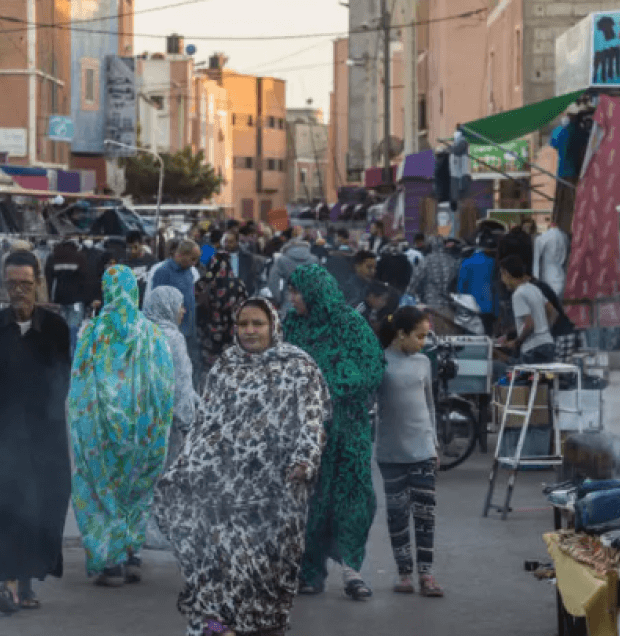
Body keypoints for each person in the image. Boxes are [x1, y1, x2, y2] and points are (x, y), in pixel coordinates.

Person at [155, 298, 331, 636]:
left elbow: (313, 420)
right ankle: (219, 626)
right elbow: (207, 425)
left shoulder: (298, 367)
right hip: (226, 492)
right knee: (223, 571)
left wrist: (304, 460)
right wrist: (186, 468)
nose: (249, 331)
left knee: (268, 579)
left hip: (277, 497)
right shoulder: (225, 366)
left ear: (273, 326)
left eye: (257, 324)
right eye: (243, 324)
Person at [0, 250, 72, 613]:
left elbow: (61, 380)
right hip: (3, 439)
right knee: (5, 507)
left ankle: (26, 582)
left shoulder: (57, 329)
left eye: (26, 284)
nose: (19, 291)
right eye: (12, 284)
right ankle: (10, 582)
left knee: (44, 507)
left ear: (38, 284)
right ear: (3, 285)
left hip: (46, 437)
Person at [68, 266, 175, 586]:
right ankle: (132, 555)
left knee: (101, 492)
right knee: (136, 493)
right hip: (145, 433)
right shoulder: (153, 335)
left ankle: (110, 561)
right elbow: (165, 385)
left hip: (101, 434)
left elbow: (80, 384)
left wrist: (81, 425)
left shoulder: (94, 333)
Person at [284, 264, 385, 600]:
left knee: (354, 497)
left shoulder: (349, 323)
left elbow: (373, 367)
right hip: (310, 433)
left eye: (298, 292)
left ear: (315, 291)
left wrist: (332, 388)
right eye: (291, 292)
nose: (293, 298)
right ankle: (310, 572)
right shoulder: (292, 327)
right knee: (311, 501)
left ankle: (352, 569)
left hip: (350, 427)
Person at [375, 306, 444, 598]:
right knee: (397, 516)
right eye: (419, 336)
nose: (423, 342)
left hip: (423, 451)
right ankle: (404, 574)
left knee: (425, 515)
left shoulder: (423, 363)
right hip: (390, 453)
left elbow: (430, 405)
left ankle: (426, 575)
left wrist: (434, 444)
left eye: (425, 336)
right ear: (401, 334)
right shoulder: (378, 362)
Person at [143, 285, 199, 461]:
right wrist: (189, 423)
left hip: (143, 421)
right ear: (168, 307)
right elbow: (180, 386)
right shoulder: (173, 338)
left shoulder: (141, 333)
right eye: (180, 305)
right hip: (169, 425)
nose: (183, 310)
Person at [194, 253, 249, 382]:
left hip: (209, 334)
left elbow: (195, 302)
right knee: (230, 365)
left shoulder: (204, 284)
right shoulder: (238, 284)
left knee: (209, 369)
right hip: (231, 332)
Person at [499, 255, 557, 364]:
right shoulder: (533, 288)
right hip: (548, 344)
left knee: (516, 373)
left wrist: (516, 342)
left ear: (506, 273)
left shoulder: (518, 294)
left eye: (501, 275)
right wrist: (544, 331)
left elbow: (529, 324)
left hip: (533, 348)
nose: (502, 280)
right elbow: (552, 312)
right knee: (541, 380)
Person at [150, 240, 202, 340]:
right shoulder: (163, 272)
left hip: (189, 330)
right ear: (182, 254)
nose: (194, 263)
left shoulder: (188, 271)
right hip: (172, 334)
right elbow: (157, 304)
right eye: (193, 259)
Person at [457, 233, 499, 336]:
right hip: (490, 308)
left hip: (471, 308)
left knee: (471, 340)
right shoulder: (493, 262)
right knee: (487, 340)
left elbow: (461, 288)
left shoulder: (466, 262)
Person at [267, 233, 319, 314]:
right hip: (310, 300)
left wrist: (279, 299)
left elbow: (272, 281)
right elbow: (321, 281)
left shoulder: (282, 260)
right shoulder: (314, 259)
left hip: (289, 299)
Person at [408, 237, 461, 309]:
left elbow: (415, 280)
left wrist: (411, 293)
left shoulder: (426, 261)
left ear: (430, 247)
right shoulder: (452, 261)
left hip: (431, 303)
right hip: (449, 304)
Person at [533, 222, 568, 298]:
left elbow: (536, 262)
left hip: (546, 277)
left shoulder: (541, 238)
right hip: (561, 276)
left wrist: (535, 280)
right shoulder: (565, 237)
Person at [221, 230, 260, 296]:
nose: (227, 245)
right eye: (225, 241)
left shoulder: (248, 258)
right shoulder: (218, 257)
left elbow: (252, 279)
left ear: (237, 242)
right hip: (224, 294)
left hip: (243, 294)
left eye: (230, 242)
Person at [124, 230, 157, 305]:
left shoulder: (153, 262)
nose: (133, 251)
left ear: (142, 244)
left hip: (147, 305)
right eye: (129, 248)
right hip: (130, 306)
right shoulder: (124, 263)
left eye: (135, 247)